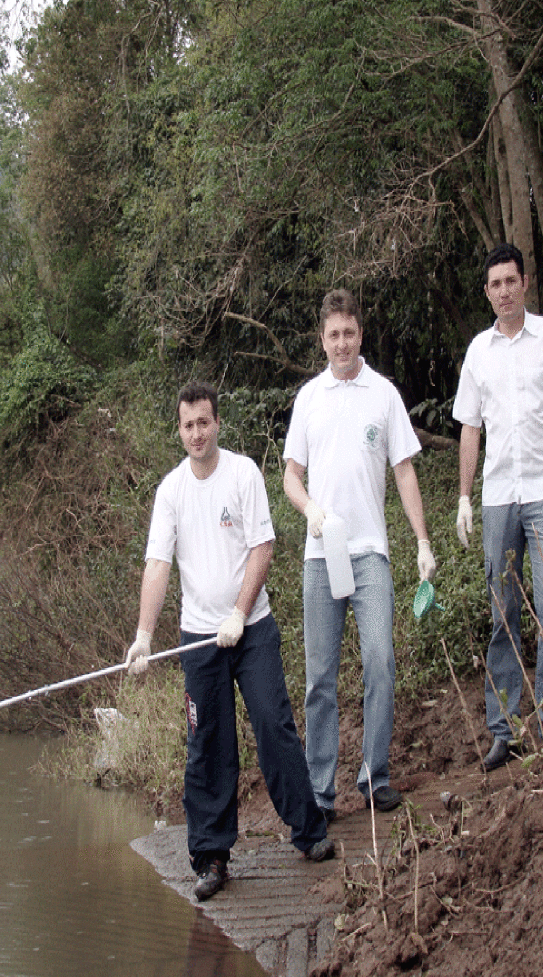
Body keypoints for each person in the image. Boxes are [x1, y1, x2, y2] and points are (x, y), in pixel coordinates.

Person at [125, 380, 333, 904]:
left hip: (252, 629)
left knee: (273, 724)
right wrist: (144, 637)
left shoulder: (243, 473)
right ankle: (212, 858)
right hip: (199, 640)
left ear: (218, 423)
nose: (197, 432)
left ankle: (308, 833)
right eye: (188, 424)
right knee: (208, 745)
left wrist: (240, 614)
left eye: (204, 422)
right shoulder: (170, 491)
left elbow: (262, 547)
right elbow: (157, 565)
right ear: (179, 430)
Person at [283, 289, 436, 818]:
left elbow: (404, 470)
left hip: (371, 551)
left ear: (360, 335)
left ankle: (375, 776)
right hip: (321, 553)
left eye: (349, 333)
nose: (342, 343)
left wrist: (421, 541)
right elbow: (290, 476)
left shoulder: (384, 394)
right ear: (322, 340)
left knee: (380, 661)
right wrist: (312, 512)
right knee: (320, 676)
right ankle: (320, 791)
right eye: (333, 335)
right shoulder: (309, 398)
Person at [452, 244, 543, 770]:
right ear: (487, 292)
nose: (504, 291)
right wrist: (464, 496)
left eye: (511, 281)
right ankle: (504, 730)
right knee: (503, 612)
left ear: (525, 283)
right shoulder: (478, 352)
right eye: (495, 284)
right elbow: (470, 425)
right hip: (497, 500)